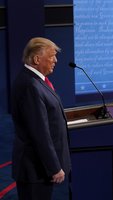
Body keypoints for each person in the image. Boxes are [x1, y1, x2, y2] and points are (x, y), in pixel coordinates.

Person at [11, 37, 71, 199]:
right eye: (51, 56)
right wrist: (54, 167)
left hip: (39, 168)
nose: (56, 60)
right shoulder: (30, 85)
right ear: (37, 59)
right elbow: (39, 132)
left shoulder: (37, 81)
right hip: (35, 169)